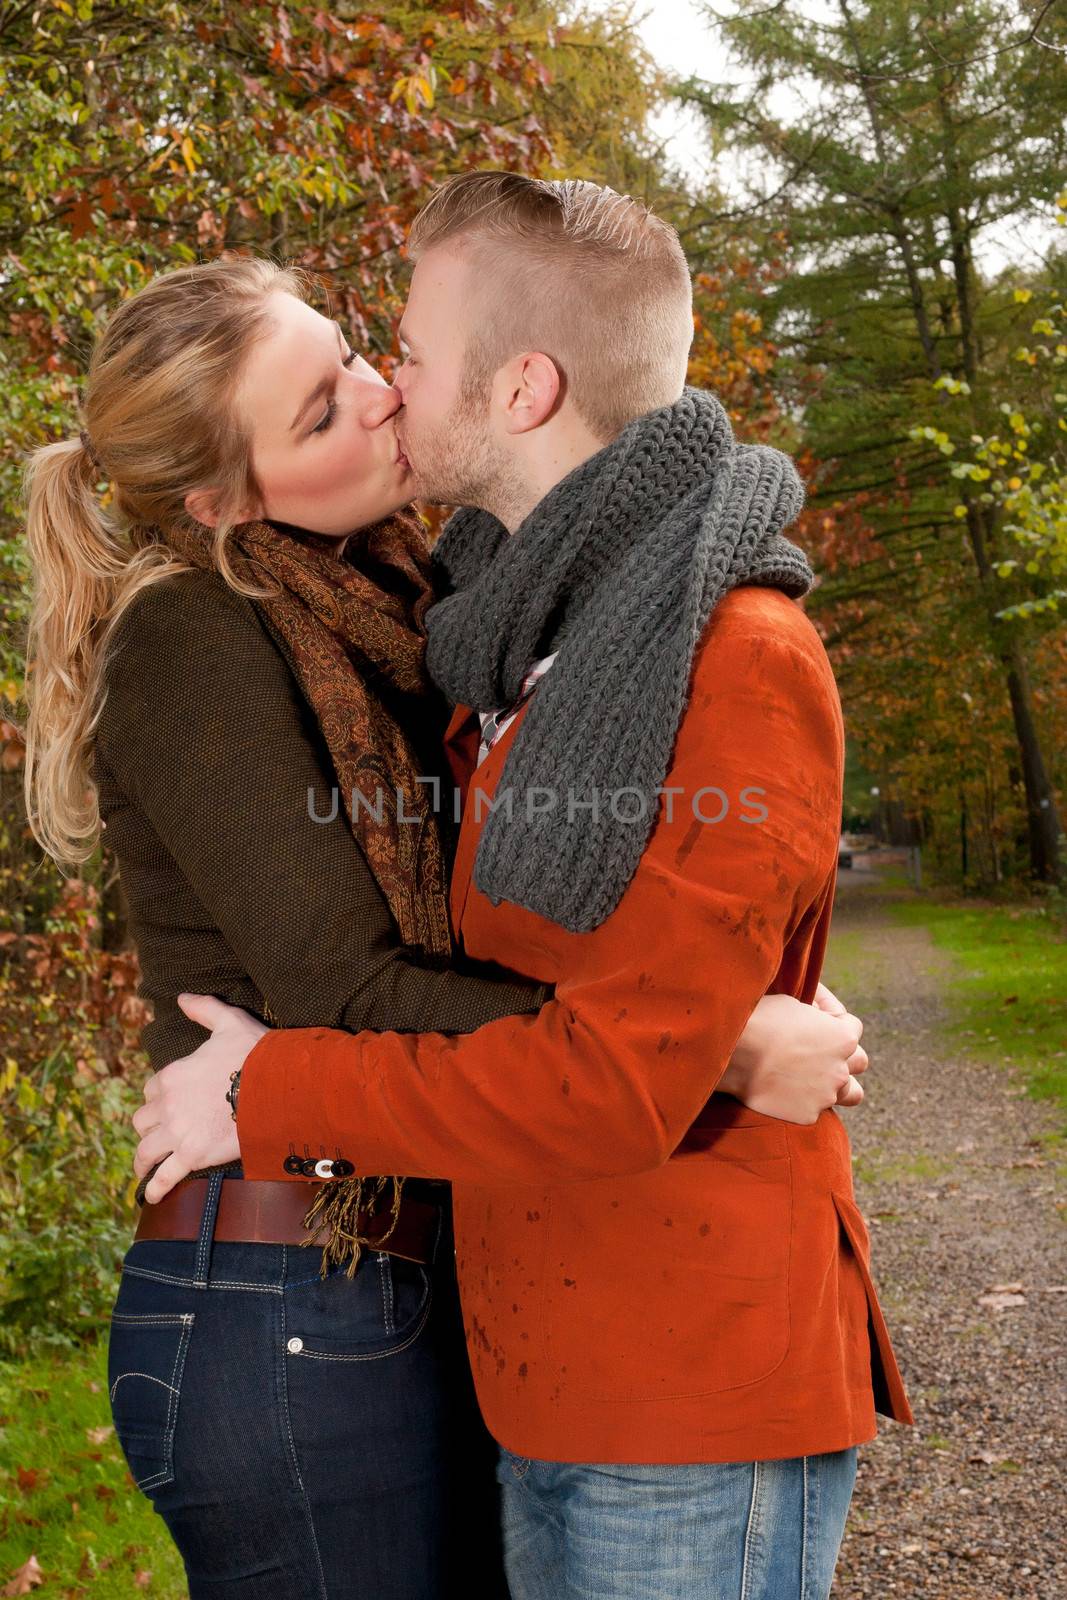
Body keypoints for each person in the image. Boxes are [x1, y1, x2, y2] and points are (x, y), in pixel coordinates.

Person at [23, 252, 869, 1600]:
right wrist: (709, 1047)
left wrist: (684, 1008)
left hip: (412, 1273)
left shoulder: (428, 613)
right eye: (317, 413)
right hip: (288, 1282)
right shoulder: (190, 631)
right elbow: (347, 983)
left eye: (355, 356)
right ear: (222, 501)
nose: (375, 398)